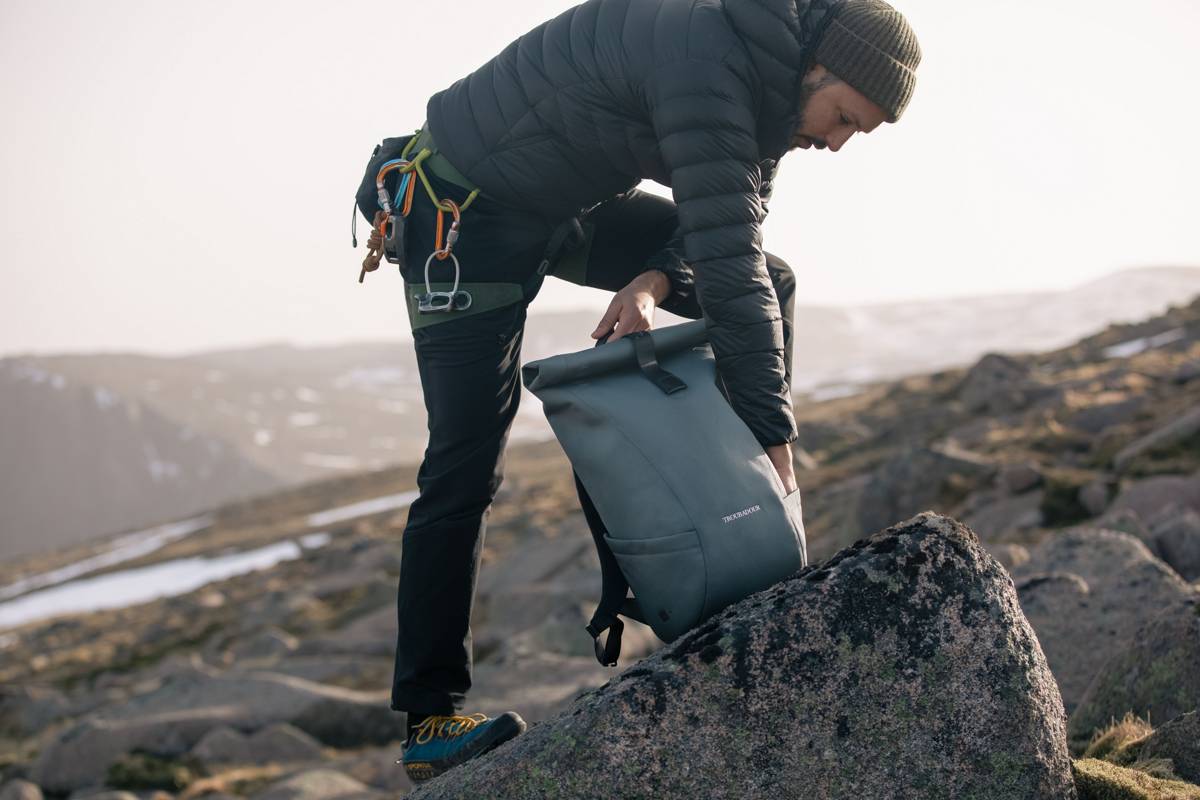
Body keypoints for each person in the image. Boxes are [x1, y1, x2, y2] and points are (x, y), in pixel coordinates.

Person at [374, 0, 921, 782]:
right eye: (842, 118)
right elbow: (729, 271)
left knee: (778, 279)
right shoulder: (709, 53)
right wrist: (777, 453)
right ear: (818, 68)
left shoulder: (768, 94)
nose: (835, 143)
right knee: (464, 463)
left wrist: (652, 279)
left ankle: (728, 538)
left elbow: (730, 227)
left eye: (851, 133)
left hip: (561, 205)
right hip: (464, 213)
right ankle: (430, 717)